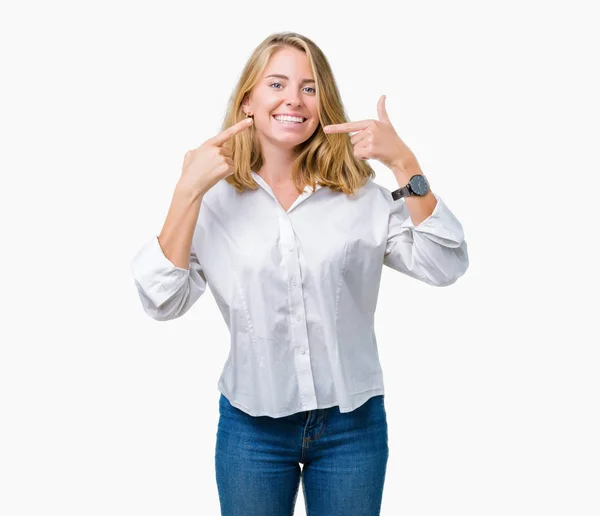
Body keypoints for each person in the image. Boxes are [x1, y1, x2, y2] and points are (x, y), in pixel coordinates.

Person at [130, 31, 469, 516]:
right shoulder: (214, 202)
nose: (294, 99)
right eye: (277, 84)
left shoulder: (361, 197)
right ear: (248, 99)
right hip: (252, 428)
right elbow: (162, 301)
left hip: (353, 426)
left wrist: (403, 163)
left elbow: (446, 263)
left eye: (309, 88)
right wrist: (186, 191)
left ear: (323, 103)